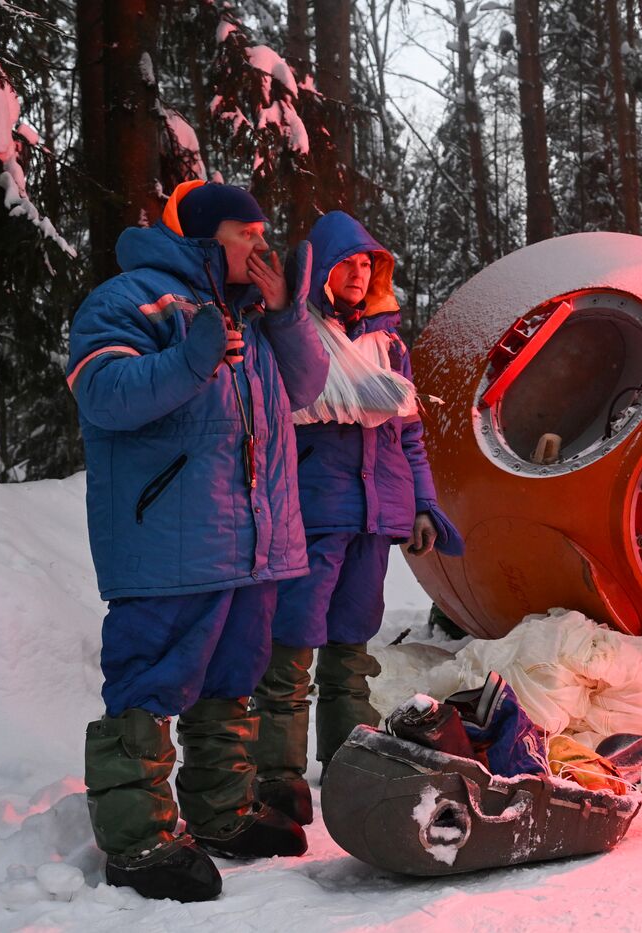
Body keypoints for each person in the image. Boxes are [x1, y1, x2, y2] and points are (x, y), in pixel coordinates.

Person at [67, 180, 330, 902]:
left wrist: (287, 314)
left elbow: (307, 387)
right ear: (209, 237)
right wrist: (191, 359)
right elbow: (103, 393)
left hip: (250, 540)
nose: (262, 244)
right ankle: (138, 837)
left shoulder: (254, 313)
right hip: (168, 540)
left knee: (232, 677)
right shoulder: (133, 299)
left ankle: (221, 811)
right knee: (150, 678)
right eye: (248, 232)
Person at [251, 211, 463, 827]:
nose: (359, 271)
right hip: (312, 514)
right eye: (346, 261)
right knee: (291, 648)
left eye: (368, 262)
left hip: (375, 516)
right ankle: (279, 775)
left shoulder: (389, 346)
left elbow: (410, 436)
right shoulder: (292, 334)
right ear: (318, 271)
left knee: (351, 647)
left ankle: (347, 762)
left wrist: (422, 503)